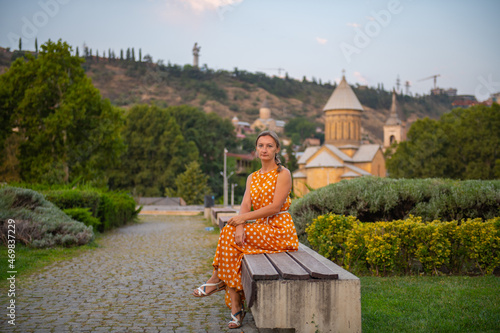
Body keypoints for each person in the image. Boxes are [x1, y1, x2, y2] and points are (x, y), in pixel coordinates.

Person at [192, 130, 299, 329]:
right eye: (261, 145)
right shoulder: (252, 177)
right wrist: (240, 224)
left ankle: (219, 282)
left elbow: (275, 207)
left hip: (279, 230)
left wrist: (242, 219)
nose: (264, 149)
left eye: (269, 145)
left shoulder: (283, 174)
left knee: (228, 235)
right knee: (232, 238)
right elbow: (245, 204)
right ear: (256, 149)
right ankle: (233, 303)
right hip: (259, 229)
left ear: (277, 149)